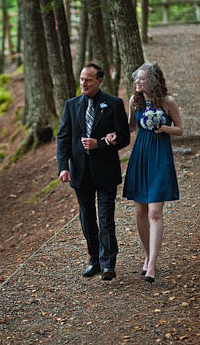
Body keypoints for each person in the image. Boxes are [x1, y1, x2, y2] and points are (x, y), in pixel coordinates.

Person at [106, 62, 182, 283]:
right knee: (140, 211)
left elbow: (180, 129)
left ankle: (153, 265)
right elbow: (130, 127)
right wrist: (112, 134)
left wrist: (165, 128)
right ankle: (148, 255)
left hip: (159, 155)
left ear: (153, 80)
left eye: (141, 79)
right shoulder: (134, 101)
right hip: (140, 155)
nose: (137, 82)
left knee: (154, 212)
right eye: (136, 79)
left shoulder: (167, 102)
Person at [57, 63, 130, 281]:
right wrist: (63, 167)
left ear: (99, 81)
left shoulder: (114, 104)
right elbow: (63, 138)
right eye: (81, 79)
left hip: (105, 171)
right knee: (87, 218)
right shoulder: (71, 105)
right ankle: (94, 261)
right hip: (80, 172)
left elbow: (124, 137)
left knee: (105, 218)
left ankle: (108, 264)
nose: (83, 83)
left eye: (88, 80)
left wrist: (101, 144)